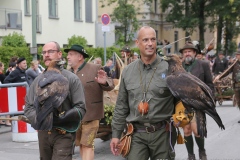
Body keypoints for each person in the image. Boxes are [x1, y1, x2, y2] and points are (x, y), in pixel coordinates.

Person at [110, 26, 177, 159]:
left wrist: (181, 116)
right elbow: (121, 105)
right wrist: (116, 135)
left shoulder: (170, 68)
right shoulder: (128, 71)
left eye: (153, 39)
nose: (150, 44)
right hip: (136, 134)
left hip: (162, 133)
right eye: (145, 40)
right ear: (137, 43)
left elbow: (182, 99)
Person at [24, 41, 86, 160]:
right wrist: (40, 118)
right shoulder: (38, 80)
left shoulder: (71, 78)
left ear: (59, 54)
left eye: (51, 51)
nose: (46, 55)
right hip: (44, 133)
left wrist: (62, 118)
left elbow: (81, 108)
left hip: (64, 132)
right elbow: (28, 107)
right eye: (44, 52)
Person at [65, 44, 114, 160]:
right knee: (81, 145)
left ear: (80, 57)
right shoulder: (68, 73)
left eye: (71, 54)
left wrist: (104, 82)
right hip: (75, 116)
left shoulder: (95, 68)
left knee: (87, 145)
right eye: (68, 54)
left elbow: (110, 84)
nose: (67, 57)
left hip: (91, 115)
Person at [180, 41, 214, 160]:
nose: (187, 53)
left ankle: (202, 151)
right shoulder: (179, 67)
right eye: (185, 52)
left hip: (198, 103)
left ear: (194, 53)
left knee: (197, 131)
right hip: (182, 104)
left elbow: (209, 83)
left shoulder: (203, 64)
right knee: (187, 130)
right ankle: (190, 155)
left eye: (189, 51)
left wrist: (209, 99)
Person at [214, 50, 240, 123]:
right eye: (237, 55)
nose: (237, 56)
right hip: (237, 85)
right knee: (239, 101)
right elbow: (227, 71)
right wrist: (219, 76)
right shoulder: (234, 64)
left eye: (238, 55)